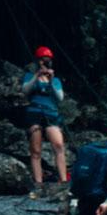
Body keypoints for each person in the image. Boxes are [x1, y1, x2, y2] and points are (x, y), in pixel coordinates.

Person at [22, 48, 68, 190]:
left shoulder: (56, 80)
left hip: (51, 113)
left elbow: (60, 97)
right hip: (34, 112)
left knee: (58, 145)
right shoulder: (30, 76)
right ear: (37, 61)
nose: (45, 63)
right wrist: (37, 76)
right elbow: (25, 91)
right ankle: (38, 182)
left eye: (47, 60)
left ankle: (64, 180)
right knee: (36, 150)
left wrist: (51, 80)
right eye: (42, 60)